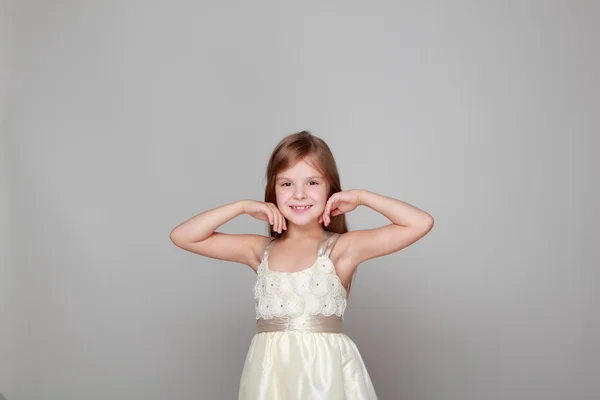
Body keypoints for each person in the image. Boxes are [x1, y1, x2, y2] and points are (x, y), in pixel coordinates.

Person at [170, 131, 434, 400]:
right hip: (270, 379)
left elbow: (419, 222)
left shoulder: (342, 250)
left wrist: (361, 197)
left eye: (312, 182)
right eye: (286, 184)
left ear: (330, 188)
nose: (299, 194)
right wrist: (241, 207)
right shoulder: (260, 251)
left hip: (324, 377)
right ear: (273, 190)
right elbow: (183, 236)